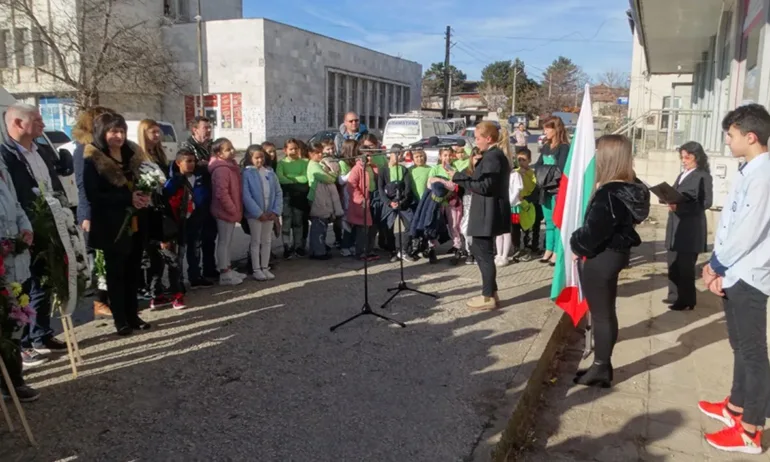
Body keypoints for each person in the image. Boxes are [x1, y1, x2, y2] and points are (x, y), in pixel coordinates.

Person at [699, 104, 770, 455]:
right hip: (735, 272)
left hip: (750, 275)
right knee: (739, 346)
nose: (727, 141)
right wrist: (720, 268)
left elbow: (747, 232)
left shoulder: (764, 176)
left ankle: (751, 430)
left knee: (754, 353)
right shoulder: (749, 171)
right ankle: (736, 407)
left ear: (751, 136)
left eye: (731, 135)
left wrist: (715, 265)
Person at [570, 134, 649, 388]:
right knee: (606, 312)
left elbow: (594, 232)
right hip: (614, 255)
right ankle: (601, 365)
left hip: (602, 258)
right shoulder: (630, 187)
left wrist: (575, 242)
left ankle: (601, 368)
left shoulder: (610, 193)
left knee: (602, 315)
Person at [0, 104, 67, 364]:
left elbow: (54, 183)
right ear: (18, 124)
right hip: (22, 229)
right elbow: (16, 195)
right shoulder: (6, 154)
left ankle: (41, 333)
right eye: (37, 119)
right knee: (24, 285)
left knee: (46, 279)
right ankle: (25, 342)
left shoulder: (41, 151)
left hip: (48, 223)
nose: (42, 124)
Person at [83, 112, 151, 335]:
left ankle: (133, 315)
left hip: (136, 222)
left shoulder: (132, 153)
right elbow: (94, 194)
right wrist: (127, 199)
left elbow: (145, 178)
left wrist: (145, 194)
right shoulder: (93, 158)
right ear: (102, 133)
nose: (118, 136)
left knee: (133, 271)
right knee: (116, 273)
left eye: (121, 131)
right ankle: (120, 319)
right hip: (112, 225)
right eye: (113, 131)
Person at [449, 121, 511, 311]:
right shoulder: (492, 155)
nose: (476, 142)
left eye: (477, 138)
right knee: (481, 250)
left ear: (488, 138)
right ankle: (491, 292)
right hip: (487, 211)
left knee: (483, 253)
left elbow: (484, 187)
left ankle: (487, 297)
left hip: (488, 212)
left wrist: (458, 177)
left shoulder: (493, 157)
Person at [0, 154, 39, 401]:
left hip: (14, 261)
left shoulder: (2, 166)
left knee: (14, 319)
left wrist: (26, 229)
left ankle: (14, 379)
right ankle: (9, 381)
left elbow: (15, 206)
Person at [72, 105, 115, 320]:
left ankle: (111, 299)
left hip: (108, 209)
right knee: (99, 259)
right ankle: (100, 302)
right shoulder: (84, 148)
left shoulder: (102, 146)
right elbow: (82, 185)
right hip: (93, 212)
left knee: (110, 258)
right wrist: (87, 215)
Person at [664, 141, 713, 311]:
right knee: (673, 262)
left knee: (685, 266)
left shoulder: (703, 176)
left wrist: (681, 207)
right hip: (675, 225)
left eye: (687, 157)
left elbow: (706, 202)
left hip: (690, 227)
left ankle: (687, 300)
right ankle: (674, 295)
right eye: (682, 157)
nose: (684, 160)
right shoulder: (682, 174)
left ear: (697, 157)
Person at [137, 119, 175, 309]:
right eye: (153, 132)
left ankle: (158, 286)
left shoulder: (159, 153)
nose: (157, 136)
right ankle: (151, 289)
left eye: (159, 132)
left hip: (161, 205)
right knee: (151, 250)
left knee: (162, 250)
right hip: (147, 208)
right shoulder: (138, 155)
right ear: (144, 134)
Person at [164, 148, 211, 297]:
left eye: (193, 161)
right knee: (180, 253)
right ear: (178, 163)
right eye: (188, 161)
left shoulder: (199, 175)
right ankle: (178, 282)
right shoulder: (174, 180)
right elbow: (166, 197)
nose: (191, 164)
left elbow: (205, 192)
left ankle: (195, 276)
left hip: (197, 219)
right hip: (181, 223)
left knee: (195, 250)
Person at [180, 116, 218, 281]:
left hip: (212, 195)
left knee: (210, 236)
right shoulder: (187, 146)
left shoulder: (212, 146)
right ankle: (194, 274)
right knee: (194, 238)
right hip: (195, 197)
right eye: (205, 128)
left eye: (209, 127)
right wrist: (206, 165)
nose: (208, 131)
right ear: (195, 129)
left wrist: (207, 164)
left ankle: (210, 269)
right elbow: (193, 167)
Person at [534, 116, 570, 266]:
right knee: (548, 221)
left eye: (548, 128)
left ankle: (556, 251)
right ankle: (548, 249)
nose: (545, 131)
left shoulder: (564, 148)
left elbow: (560, 170)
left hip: (556, 190)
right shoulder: (546, 146)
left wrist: (544, 172)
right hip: (545, 189)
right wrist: (544, 172)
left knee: (556, 221)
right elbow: (537, 165)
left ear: (557, 129)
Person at [242, 145, 282, 281]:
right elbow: (246, 196)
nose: (260, 160)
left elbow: (278, 192)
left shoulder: (270, 173)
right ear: (250, 158)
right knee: (256, 241)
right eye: (256, 158)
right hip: (255, 215)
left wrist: (275, 211)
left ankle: (265, 267)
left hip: (269, 213)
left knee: (267, 241)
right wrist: (258, 213)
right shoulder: (246, 174)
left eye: (262, 157)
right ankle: (256, 269)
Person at [208, 138, 244, 286]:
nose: (232, 151)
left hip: (230, 210)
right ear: (219, 153)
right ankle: (224, 272)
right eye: (228, 149)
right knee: (224, 241)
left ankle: (227, 267)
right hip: (224, 211)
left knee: (227, 241)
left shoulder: (229, 166)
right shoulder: (221, 169)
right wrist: (232, 209)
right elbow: (221, 193)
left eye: (232, 147)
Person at [377, 148, 415, 262]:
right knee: (388, 227)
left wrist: (402, 201)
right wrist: (389, 202)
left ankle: (404, 250)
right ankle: (392, 251)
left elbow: (408, 187)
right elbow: (380, 188)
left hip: (402, 202)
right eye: (397, 154)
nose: (400, 156)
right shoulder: (384, 170)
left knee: (410, 224)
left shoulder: (403, 169)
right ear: (390, 154)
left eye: (401, 154)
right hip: (389, 203)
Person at [307, 142, 342, 260]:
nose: (320, 154)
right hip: (317, 198)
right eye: (317, 153)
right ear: (310, 154)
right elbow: (326, 178)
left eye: (321, 152)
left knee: (322, 225)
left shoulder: (318, 164)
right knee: (319, 225)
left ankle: (318, 247)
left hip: (322, 198)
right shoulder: (313, 165)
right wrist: (333, 175)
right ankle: (318, 251)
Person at [276, 138, 310, 258]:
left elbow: (305, 178)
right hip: (286, 197)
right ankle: (287, 246)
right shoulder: (281, 164)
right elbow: (280, 178)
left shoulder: (304, 163)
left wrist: (290, 178)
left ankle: (298, 246)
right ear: (285, 150)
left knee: (298, 222)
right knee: (286, 221)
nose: (294, 151)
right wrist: (296, 179)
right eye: (291, 149)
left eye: (296, 148)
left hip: (299, 198)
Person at [346, 148, 378, 261]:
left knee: (372, 227)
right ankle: (361, 252)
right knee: (363, 228)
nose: (369, 158)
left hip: (374, 197)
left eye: (370, 155)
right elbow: (351, 185)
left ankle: (370, 249)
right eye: (367, 156)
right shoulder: (356, 169)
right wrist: (361, 199)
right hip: (363, 201)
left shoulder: (373, 167)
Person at [511, 147, 537, 261]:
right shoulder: (514, 172)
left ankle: (528, 248)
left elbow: (534, 186)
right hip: (516, 204)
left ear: (529, 160)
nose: (521, 162)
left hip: (527, 203)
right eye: (519, 160)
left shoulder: (532, 173)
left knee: (528, 227)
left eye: (524, 160)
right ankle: (516, 247)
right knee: (515, 226)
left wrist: (525, 174)